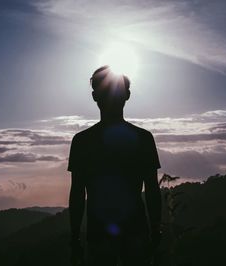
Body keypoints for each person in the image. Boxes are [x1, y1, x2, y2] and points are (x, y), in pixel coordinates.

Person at [68, 66, 162, 266]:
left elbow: (78, 192)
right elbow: (152, 188)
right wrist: (156, 229)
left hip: (99, 233)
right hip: (136, 230)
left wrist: (75, 235)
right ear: (127, 95)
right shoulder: (143, 138)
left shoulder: (82, 141)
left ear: (94, 96)